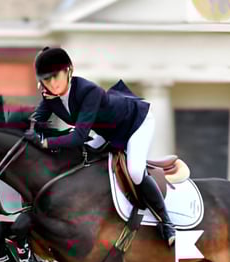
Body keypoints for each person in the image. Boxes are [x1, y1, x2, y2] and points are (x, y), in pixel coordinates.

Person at [26, 46, 176, 247]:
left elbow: (79, 136)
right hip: (108, 133)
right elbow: (35, 123)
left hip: (135, 124)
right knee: (83, 160)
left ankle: (166, 222)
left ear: (68, 71)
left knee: (135, 171)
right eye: (46, 79)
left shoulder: (88, 91)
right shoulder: (49, 98)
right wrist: (27, 134)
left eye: (56, 76)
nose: (52, 84)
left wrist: (46, 142)